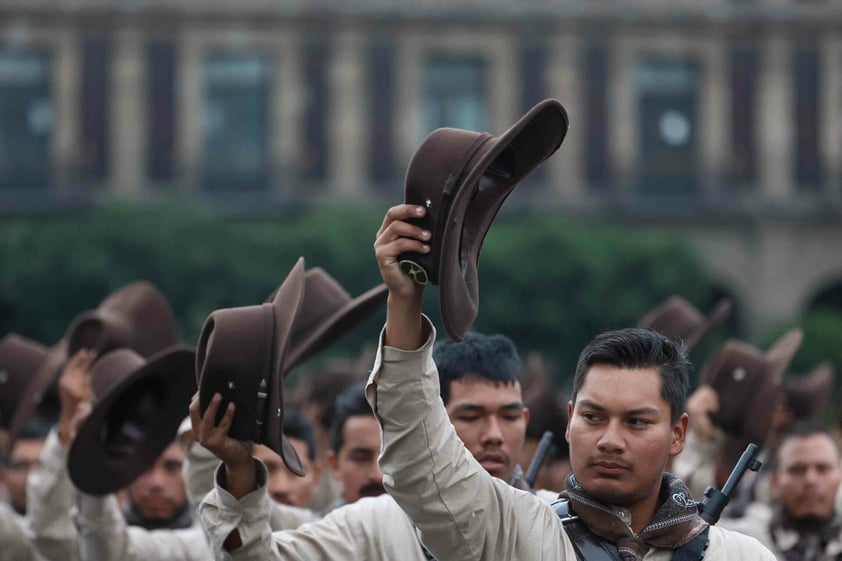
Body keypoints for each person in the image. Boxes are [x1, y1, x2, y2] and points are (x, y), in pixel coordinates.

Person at [354, 203, 774, 560]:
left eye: (637, 422)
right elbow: (420, 464)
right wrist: (405, 301)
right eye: (594, 417)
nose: (610, 440)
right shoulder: (515, 534)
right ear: (570, 421)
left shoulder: (737, 554)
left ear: (677, 433)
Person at [193, 318, 547, 559]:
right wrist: (239, 468)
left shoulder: (557, 521)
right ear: (431, 421)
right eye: (471, 416)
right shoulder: (370, 525)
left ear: (525, 420)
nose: (494, 435)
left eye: (510, 416)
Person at [720, 421, 842, 559]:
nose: (810, 480)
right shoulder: (741, 546)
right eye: (797, 470)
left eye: (823, 468)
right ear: (775, 482)